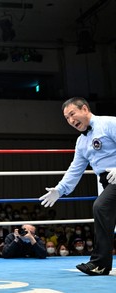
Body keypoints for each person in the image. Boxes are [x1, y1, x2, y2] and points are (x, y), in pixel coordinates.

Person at [38, 97, 116, 276]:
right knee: (103, 211)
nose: (71, 120)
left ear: (85, 109)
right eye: (66, 118)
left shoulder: (109, 123)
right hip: (107, 181)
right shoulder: (81, 142)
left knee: (101, 207)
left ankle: (100, 264)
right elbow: (75, 170)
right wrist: (60, 189)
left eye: (72, 114)